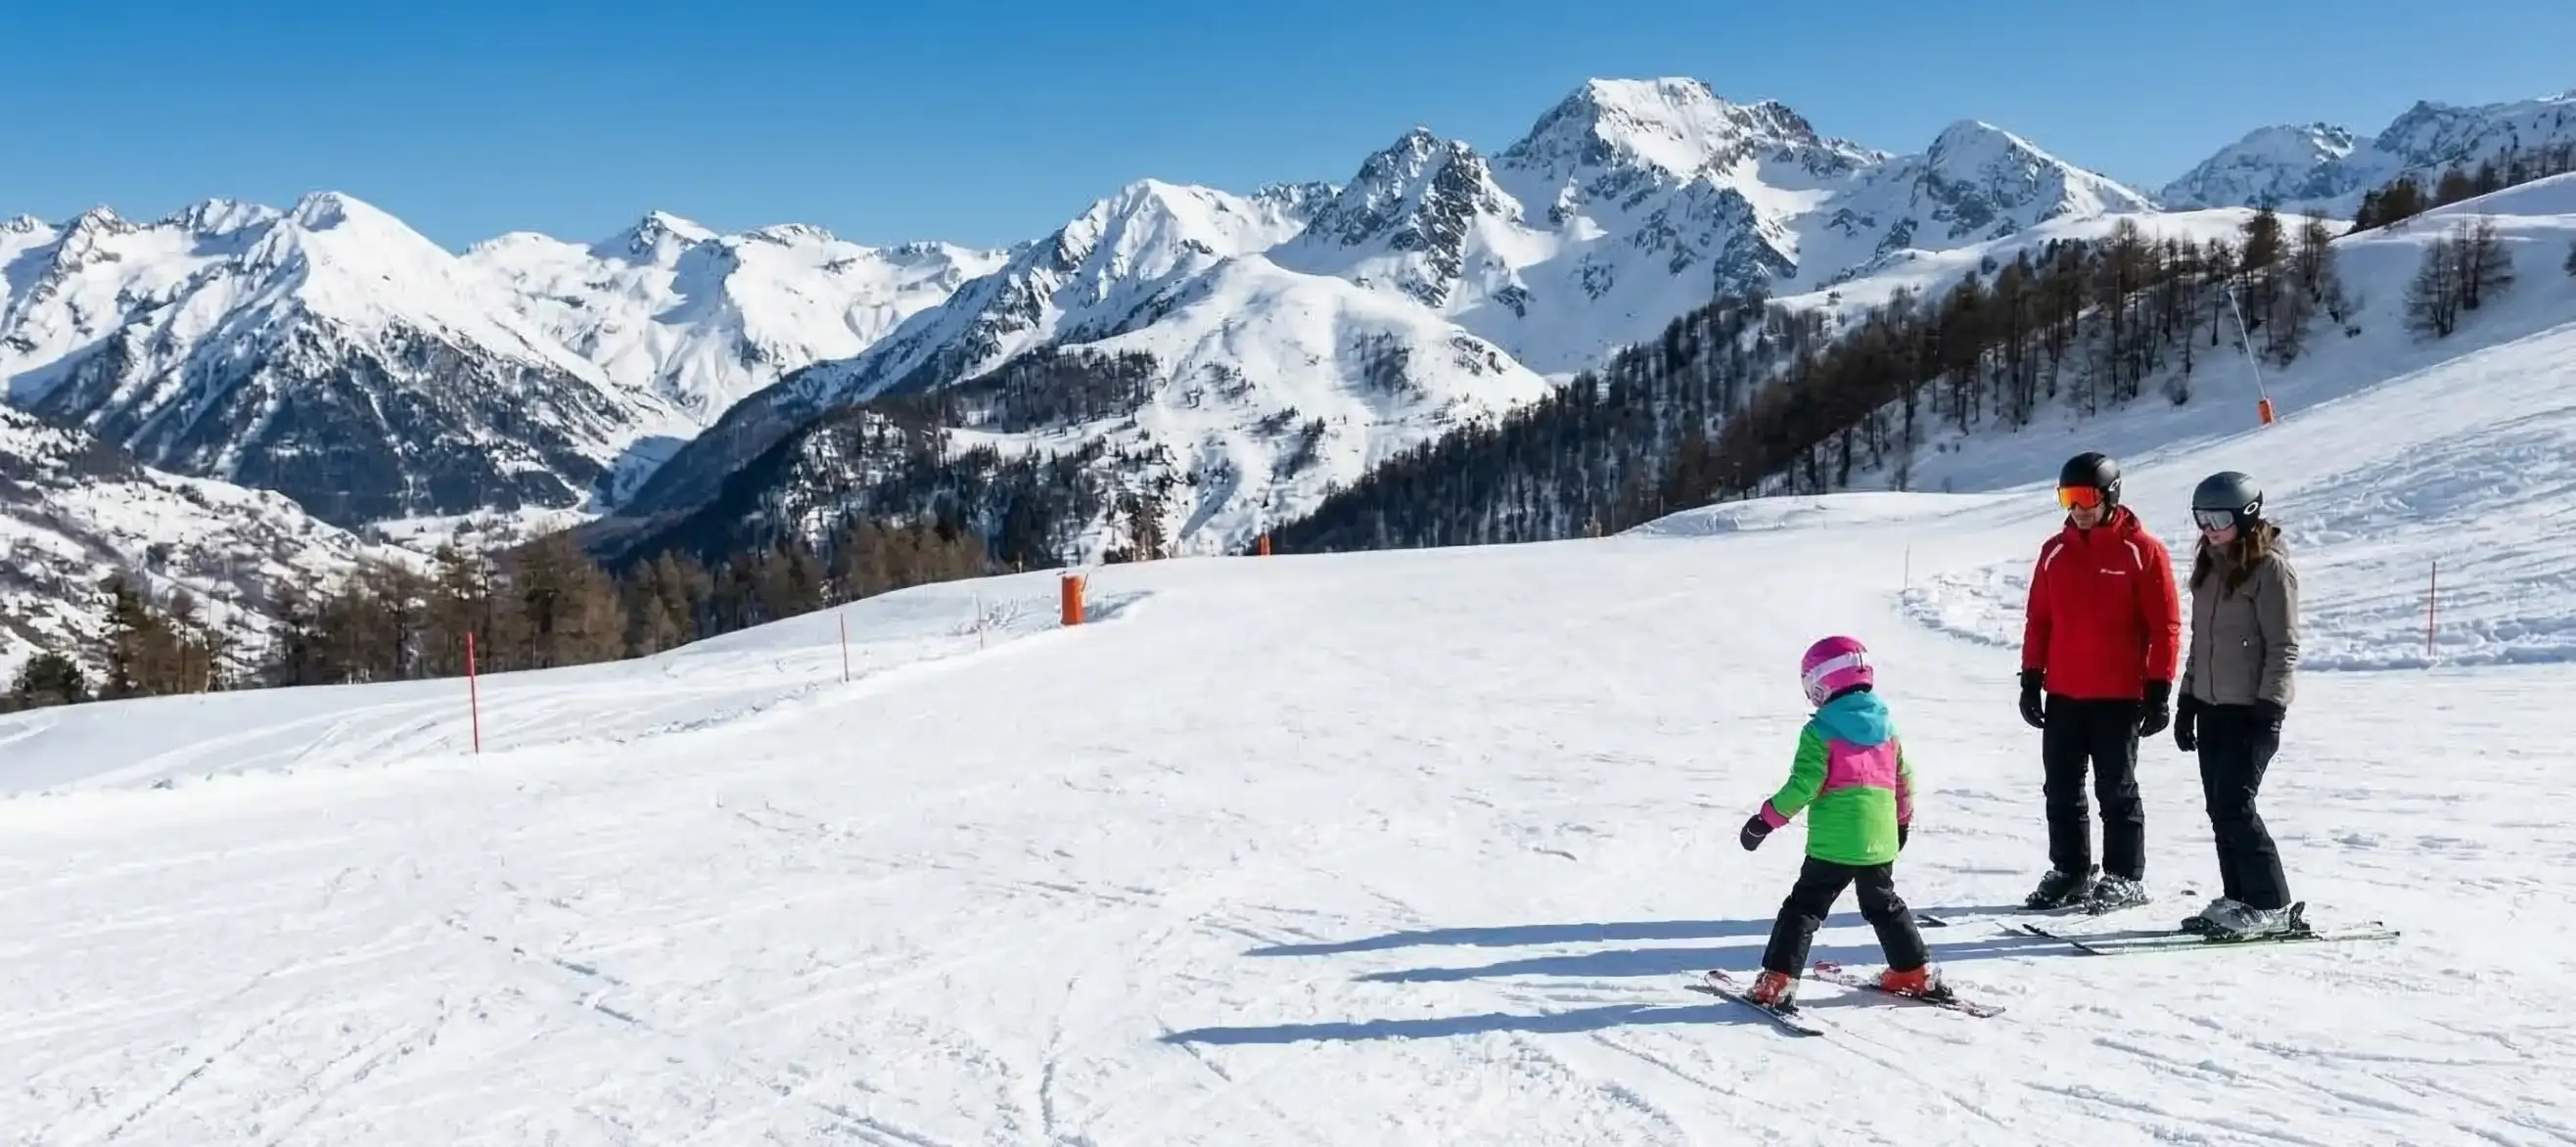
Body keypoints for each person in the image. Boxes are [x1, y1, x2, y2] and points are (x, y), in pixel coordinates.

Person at [2017, 451, 2182, 912]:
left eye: (2086, 497)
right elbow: (2039, 620)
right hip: (2065, 692)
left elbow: (2164, 625)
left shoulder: (2142, 550)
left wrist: (2159, 688)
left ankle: (2124, 876)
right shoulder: (2054, 552)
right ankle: (2071, 870)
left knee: (2116, 788)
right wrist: (2031, 679)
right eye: (2068, 498)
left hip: (2119, 695)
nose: (2078, 508)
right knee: (2062, 788)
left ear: (2110, 495)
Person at [1737, 635, 1939, 1007]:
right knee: (1884, 904)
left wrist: (1763, 821)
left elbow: (1803, 786)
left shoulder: (1821, 731)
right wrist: (1901, 823)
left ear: (1822, 683)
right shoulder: (1888, 729)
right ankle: (1913, 971)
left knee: (1804, 908)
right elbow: (1904, 779)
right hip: (1879, 840)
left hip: (1834, 843)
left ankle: (1777, 982)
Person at [2173, 471, 2303, 937]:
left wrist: (2269, 708)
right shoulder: (2208, 562)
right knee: (2218, 806)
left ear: (2246, 517)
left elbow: (2283, 645)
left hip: (2250, 708)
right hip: (2211, 704)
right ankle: (2238, 897)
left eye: (2218, 519)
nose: (2208, 528)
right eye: (2201, 518)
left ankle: (2272, 904)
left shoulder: (2269, 568)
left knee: (2236, 804)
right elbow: (2200, 641)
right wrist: (2187, 698)